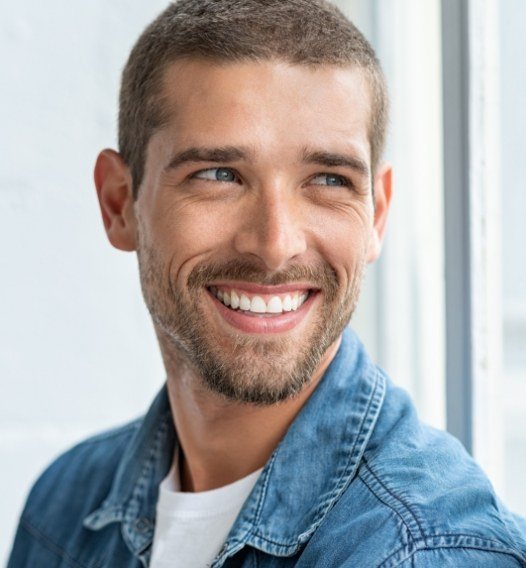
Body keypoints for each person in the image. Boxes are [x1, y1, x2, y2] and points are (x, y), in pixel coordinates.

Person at [7, 0, 526, 566]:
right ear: (119, 203)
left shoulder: (420, 551)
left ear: (376, 214)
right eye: (218, 175)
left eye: (329, 179)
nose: (276, 244)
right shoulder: (62, 508)